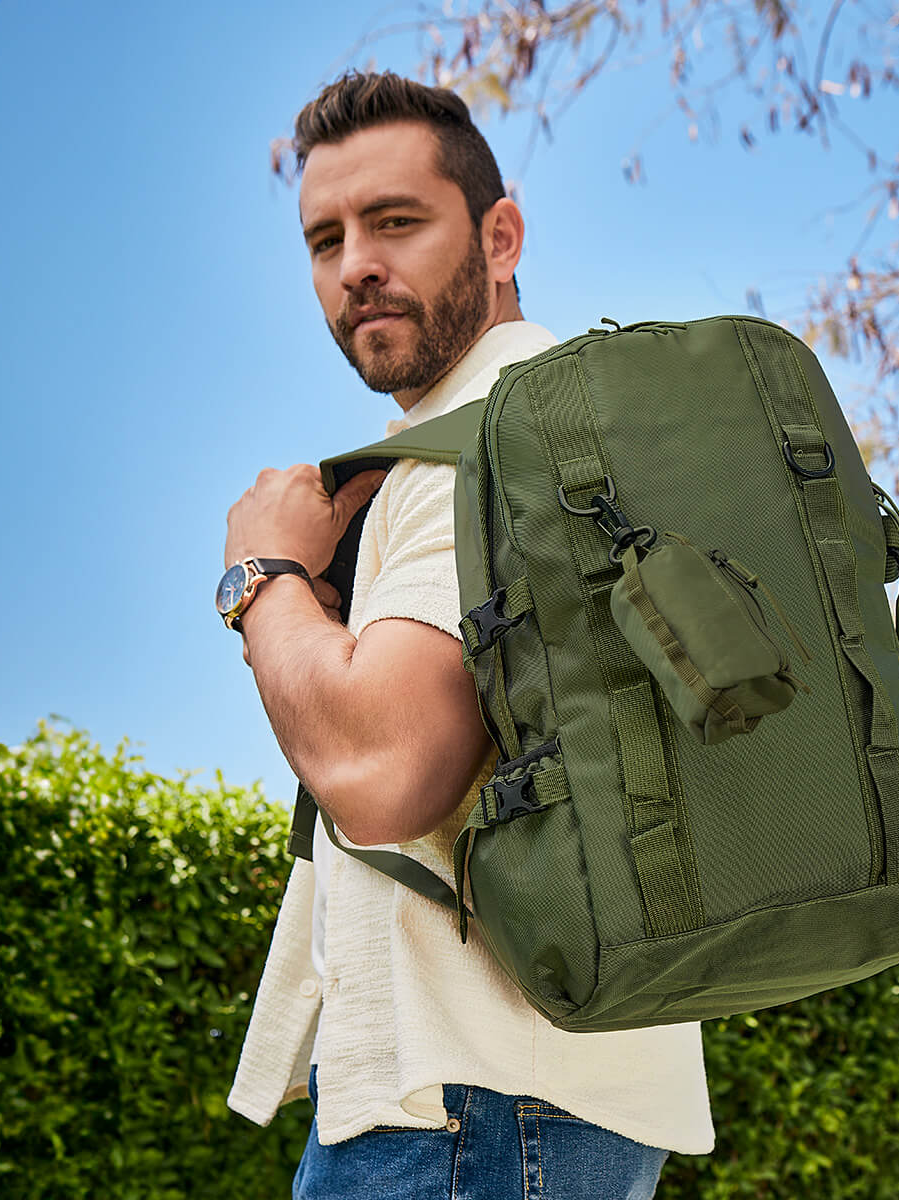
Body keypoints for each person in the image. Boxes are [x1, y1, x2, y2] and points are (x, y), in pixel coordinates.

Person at [221, 71, 714, 1199]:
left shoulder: (488, 448)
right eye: (326, 239)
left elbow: (384, 772)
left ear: (500, 237)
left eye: (395, 221)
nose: (356, 265)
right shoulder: (569, 433)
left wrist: (263, 575)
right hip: (536, 1089)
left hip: (462, 1107)